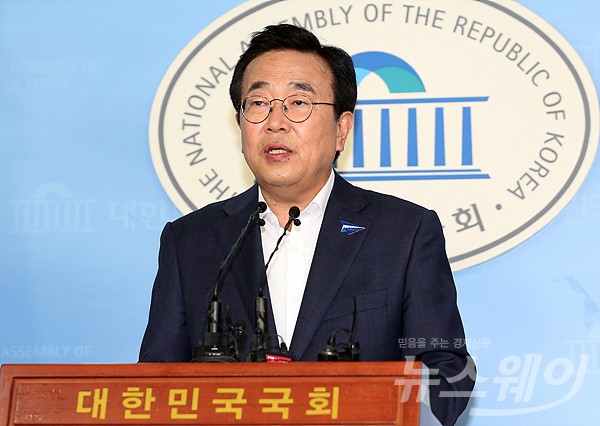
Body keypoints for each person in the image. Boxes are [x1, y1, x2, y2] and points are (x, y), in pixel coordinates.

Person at [140, 24, 475, 425]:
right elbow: (154, 385)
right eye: (258, 103)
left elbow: (447, 374)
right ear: (241, 123)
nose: (275, 122)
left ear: (342, 129)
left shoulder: (404, 233)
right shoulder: (190, 241)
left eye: (298, 103)